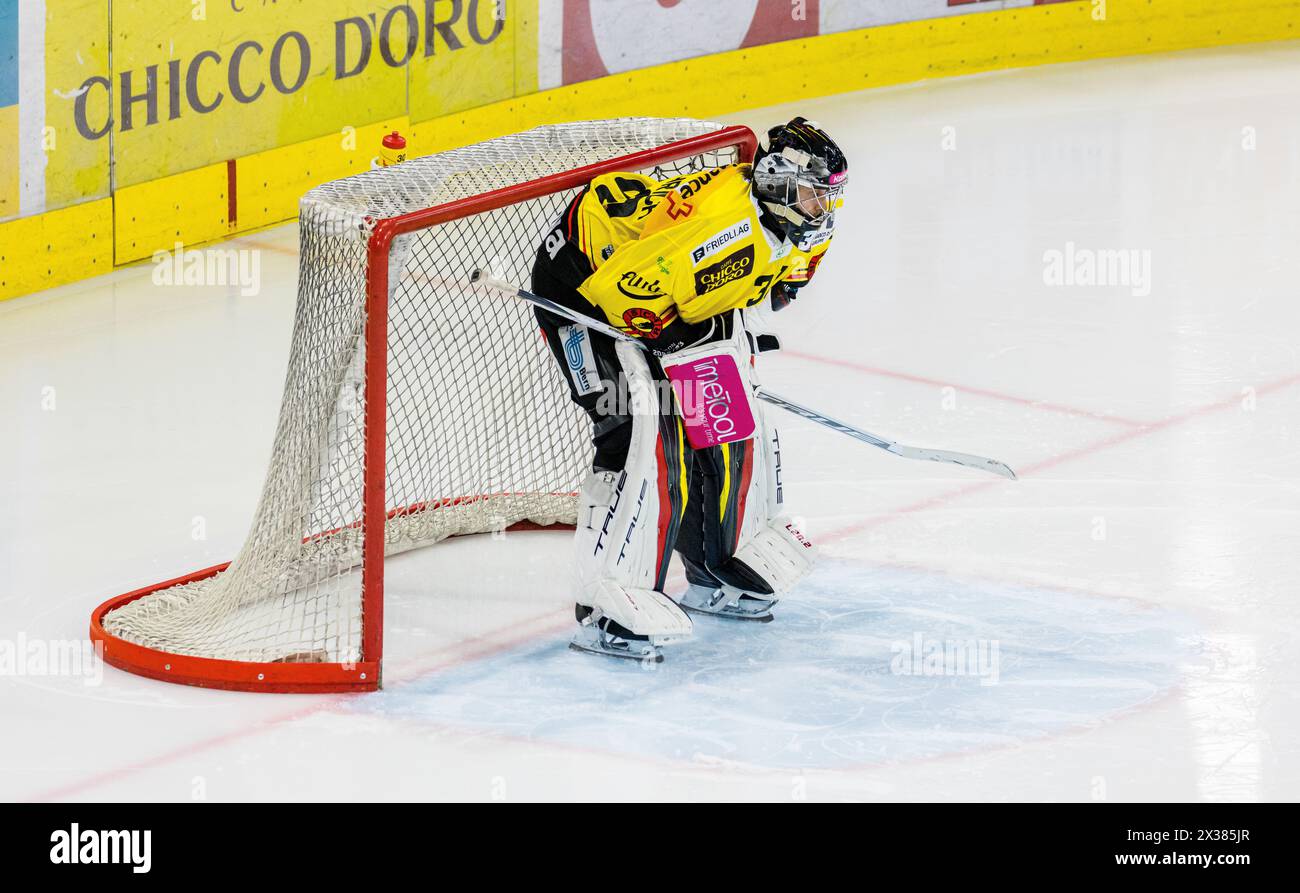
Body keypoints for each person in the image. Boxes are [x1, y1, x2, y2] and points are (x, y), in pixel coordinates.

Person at [531, 117, 847, 661]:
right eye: (818, 196)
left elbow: (776, 275)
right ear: (783, 188)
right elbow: (626, 296)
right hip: (584, 291)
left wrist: (711, 335)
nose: (827, 209)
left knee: (723, 419)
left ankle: (715, 564)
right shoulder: (719, 231)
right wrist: (681, 338)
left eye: (830, 198)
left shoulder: (783, 224)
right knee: (638, 432)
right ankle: (605, 603)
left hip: (664, 290)